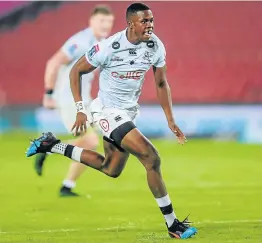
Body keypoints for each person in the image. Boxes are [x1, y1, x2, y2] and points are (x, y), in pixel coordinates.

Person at [27, 2, 197, 239]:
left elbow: (161, 83)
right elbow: (76, 70)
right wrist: (80, 109)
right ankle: (173, 224)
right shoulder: (109, 47)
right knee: (151, 157)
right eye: (144, 21)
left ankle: (51, 145)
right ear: (131, 23)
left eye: (151, 21)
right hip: (106, 110)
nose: (150, 25)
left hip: (127, 112)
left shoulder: (155, 45)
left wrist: (170, 119)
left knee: (111, 168)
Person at [34, 5, 115, 197]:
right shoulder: (80, 42)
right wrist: (48, 93)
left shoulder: (101, 43)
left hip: (83, 99)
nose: (105, 25)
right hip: (68, 97)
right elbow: (53, 63)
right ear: (91, 21)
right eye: (101, 21)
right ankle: (49, 147)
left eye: (109, 22)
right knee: (91, 141)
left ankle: (66, 186)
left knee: (93, 141)